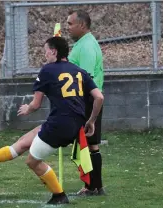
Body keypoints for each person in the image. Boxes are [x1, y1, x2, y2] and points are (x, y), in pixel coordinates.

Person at [0, 36, 104, 204]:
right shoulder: (79, 71)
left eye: (46, 51)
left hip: (59, 124)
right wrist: (91, 121)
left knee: (32, 161)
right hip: (72, 123)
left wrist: (27, 108)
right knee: (22, 144)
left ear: (53, 51)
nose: (45, 55)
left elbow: (35, 104)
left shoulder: (47, 70)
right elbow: (99, 97)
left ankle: (59, 195)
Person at [67, 10, 105, 196]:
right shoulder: (82, 43)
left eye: (70, 24)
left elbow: (86, 77)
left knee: (88, 143)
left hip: (87, 99)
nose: (68, 28)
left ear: (82, 25)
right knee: (90, 143)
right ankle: (95, 186)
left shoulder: (87, 46)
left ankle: (92, 186)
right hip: (86, 99)